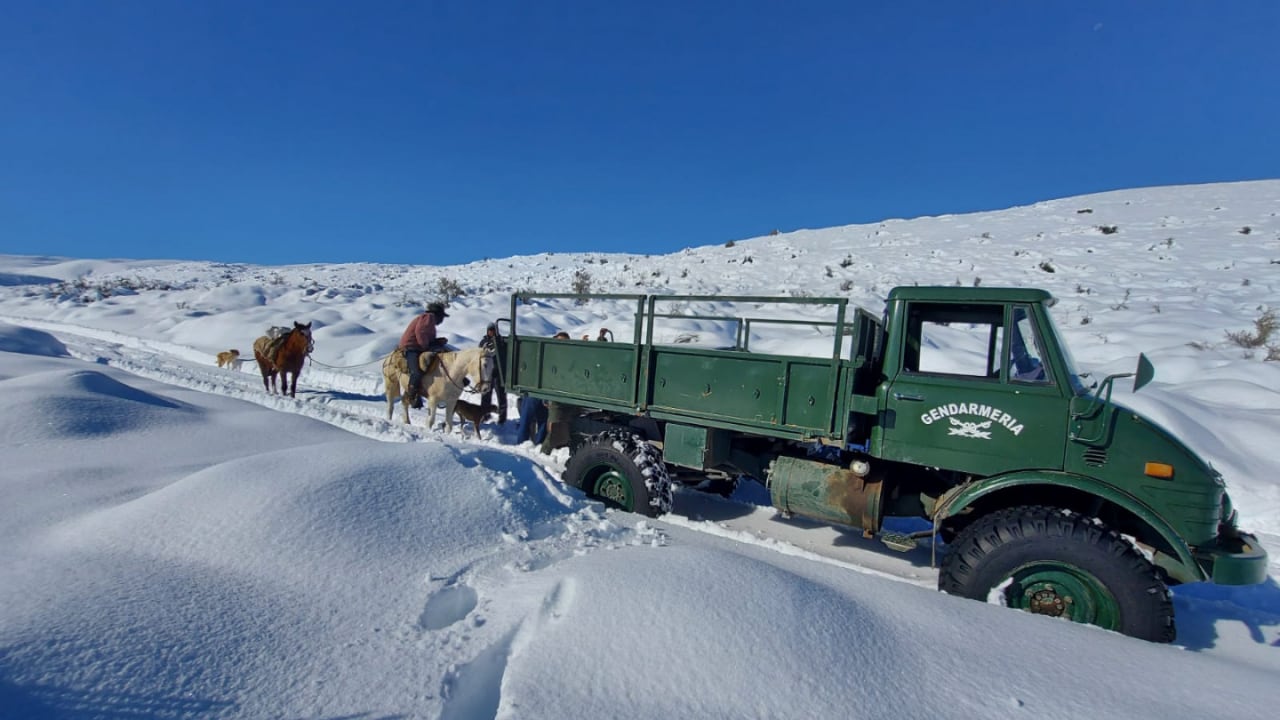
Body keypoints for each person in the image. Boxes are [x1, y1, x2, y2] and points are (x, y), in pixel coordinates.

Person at [399, 301, 448, 408]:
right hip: (412, 347)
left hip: (418, 347)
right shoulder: (429, 317)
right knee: (416, 372)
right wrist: (427, 346)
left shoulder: (429, 319)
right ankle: (412, 395)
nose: (442, 320)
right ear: (438, 314)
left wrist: (436, 342)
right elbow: (420, 333)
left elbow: (426, 336)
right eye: (442, 317)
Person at [477, 323, 507, 424]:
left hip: (498, 373)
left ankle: (502, 417)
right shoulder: (483, 342)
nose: (492, 332)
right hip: (487, 374)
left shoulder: (501, 341)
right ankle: (484, 415)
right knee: (485, 395)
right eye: (490, 330)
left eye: (493, 330)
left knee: (501, 396)